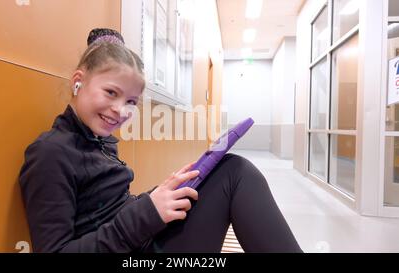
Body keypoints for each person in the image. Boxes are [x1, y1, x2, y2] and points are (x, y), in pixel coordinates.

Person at [19, 28, 303, 253]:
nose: (120, 110)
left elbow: (111, 210)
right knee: (236, 174)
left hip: (140, 239)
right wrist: (147, 211)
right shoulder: (50, 154)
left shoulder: (100, 142)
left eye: (131, 101)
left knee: (232, 170)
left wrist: (160, 193)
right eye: (110, 92)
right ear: (78, 81)